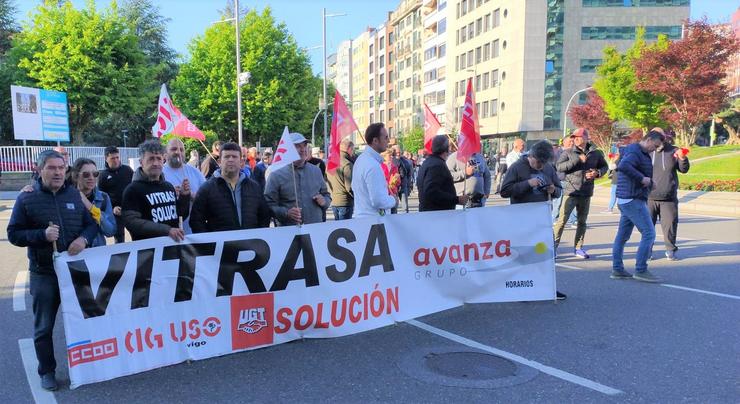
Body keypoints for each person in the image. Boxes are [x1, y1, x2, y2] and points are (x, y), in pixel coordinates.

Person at [7, 150, 98, 391]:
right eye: (52, 167)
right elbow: (13, 234)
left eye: (61, 167)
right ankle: (47, 371)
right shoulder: (26, 198)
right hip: (44, 273)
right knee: (44, 326)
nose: (58, 172)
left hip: (75, 272)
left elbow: (91, 225)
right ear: (39, 170)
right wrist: (41, 235)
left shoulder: (73, 195)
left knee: (84, 320)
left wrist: (84, 240)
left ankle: (87, 364)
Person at [499, 140, 565, 300]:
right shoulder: (517, 167)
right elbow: (505, 191)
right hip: (521, 219)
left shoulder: (548, 168)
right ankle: (524, 287)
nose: (541, 166)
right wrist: (527, 183)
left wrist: (553, 189)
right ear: (531, 156)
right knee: (523, 256)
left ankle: (548, 287)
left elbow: (558, 189)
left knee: (544, 256)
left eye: (544, 163)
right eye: (538, 163)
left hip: (541, 220)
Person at [612, 130, 666, 282]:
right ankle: (641, 269)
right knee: (649, 233)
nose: (654, 150)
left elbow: (626, 167)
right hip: (632, 199)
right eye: (654, 146)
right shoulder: (636, 152)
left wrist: (648, 182)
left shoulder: (635, 151)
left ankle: (617, 269)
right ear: (648, 139)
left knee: (622, 237)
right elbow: (623, 166)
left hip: (626, 198)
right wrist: (642, 179)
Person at [189, 142, 271, 232]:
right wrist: (210, 243)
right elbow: (196, 220)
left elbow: (265, 216)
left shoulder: (254, 188)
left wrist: (258, 238)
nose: (231, 160)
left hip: (250, 244)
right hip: (220, 245)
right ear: (219, 161)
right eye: (227, 157)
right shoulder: (207, 189)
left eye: (234, 157)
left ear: (241, 161)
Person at [553, 128, 608, 259]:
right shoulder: (568, 152)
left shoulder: (596, 153)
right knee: (561, 222)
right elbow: (559, 167)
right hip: (571, 192)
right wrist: (577, 160)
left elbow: (604, 166)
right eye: (573, 137)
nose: (575, 139)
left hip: (586, 192)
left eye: (577, 136)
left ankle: (578, 248)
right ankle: (553, 248)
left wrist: (597, 173)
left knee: (582, 222)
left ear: (586, 137)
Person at [122, 141, 191, 241]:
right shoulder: (132, 190)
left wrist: (185, 196)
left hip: (171, 249)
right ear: (141, 162)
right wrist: (167, 230)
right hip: (148, 252)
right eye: (151, 159)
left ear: (163, 160)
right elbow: (132, 223)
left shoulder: (168, 186)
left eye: (159, 159)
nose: (155, 163)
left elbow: (180, 216)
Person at [264, 133, 330, 226]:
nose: (303, 149)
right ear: (288, 150)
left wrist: (324, 202)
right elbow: (268, 204)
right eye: (297, 146)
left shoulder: (316, 171)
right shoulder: (276, 175)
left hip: (315, 230)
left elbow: (326, 195)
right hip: (289, 233)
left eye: (305, 145)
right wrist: (286, 213)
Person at [648, 132, 690, 260]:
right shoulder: (646, 152)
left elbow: (684, 169)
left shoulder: (673, 150)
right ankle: (647, 251)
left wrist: (682, 159)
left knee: (670, 225)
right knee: (647, 227)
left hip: (668, 197)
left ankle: (670, 250)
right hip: (648, 197)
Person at [352, 122, 399, 218]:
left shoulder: (361, 160)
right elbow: (378, 200)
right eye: (385, 137)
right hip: (373, 221)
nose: (388, 141)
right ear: (375, 141)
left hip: (364, 218)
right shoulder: (372, 165)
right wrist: (393, 200)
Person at [162, 138, 206, 234]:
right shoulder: (159, 173)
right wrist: (170, 194)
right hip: (168, 234)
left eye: (181, 149)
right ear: (165, 154)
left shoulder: (195, 172)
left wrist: (188, 195)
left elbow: (206, 199)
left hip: (192, 232)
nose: (178, 152)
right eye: (174, 149)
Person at [72, 158, 116, 247]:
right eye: (86, 174)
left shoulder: (103, 197)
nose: (91, 178)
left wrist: (92, 209)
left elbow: (110, 231)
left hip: (97, 254)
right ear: (76, 176)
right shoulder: (68, 198)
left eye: (95, 174)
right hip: (74, 253)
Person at [417, 135, 468, 211]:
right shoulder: (437, 165)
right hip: (437, 214)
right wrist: (457, 200)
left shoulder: (428, 162)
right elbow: (432, 193)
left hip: (430, 212)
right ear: (447, 149)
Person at [98, 146, 134, 243]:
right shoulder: (103, 176)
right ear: (106, 159)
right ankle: (121, 257)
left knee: (136, 233)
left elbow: (135, 189)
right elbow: (102, 196)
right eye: (112, 158)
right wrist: (112, 208)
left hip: (130, 209)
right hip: (115, 211)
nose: (116, 160)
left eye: (117, 157)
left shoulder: (128, 170)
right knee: (119, 238)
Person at [552, 137, 578, 226]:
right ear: (564, 142)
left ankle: (574, 220)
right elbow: (553, 166)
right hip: (560, 180)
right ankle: (555, 218)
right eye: (570, 141)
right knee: (558, 202)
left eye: (572, 141)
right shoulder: (557, 152)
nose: (572, 142)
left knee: (572, 201)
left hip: (572, 181)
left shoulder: (576, 152)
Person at [327, 138, 355, 220]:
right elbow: (349, 187)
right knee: (345, 230)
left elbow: (327, 180)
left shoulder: (331, 162)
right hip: (345, 202)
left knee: (338, 228)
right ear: (349, 149)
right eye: (353, 149)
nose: (353, 152)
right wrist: (356, 197)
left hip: (334, 201)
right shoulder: (347, 164)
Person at [603, 150, 620, 214]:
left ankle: (610, 209)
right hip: (616, 180)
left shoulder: (618, 161)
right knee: (616, 195)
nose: (615, 155)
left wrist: (612, 160)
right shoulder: (619, 160)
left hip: (616, 181)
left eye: (617, 154)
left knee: (614, 195)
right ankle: (611, 208)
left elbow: (611, 167)